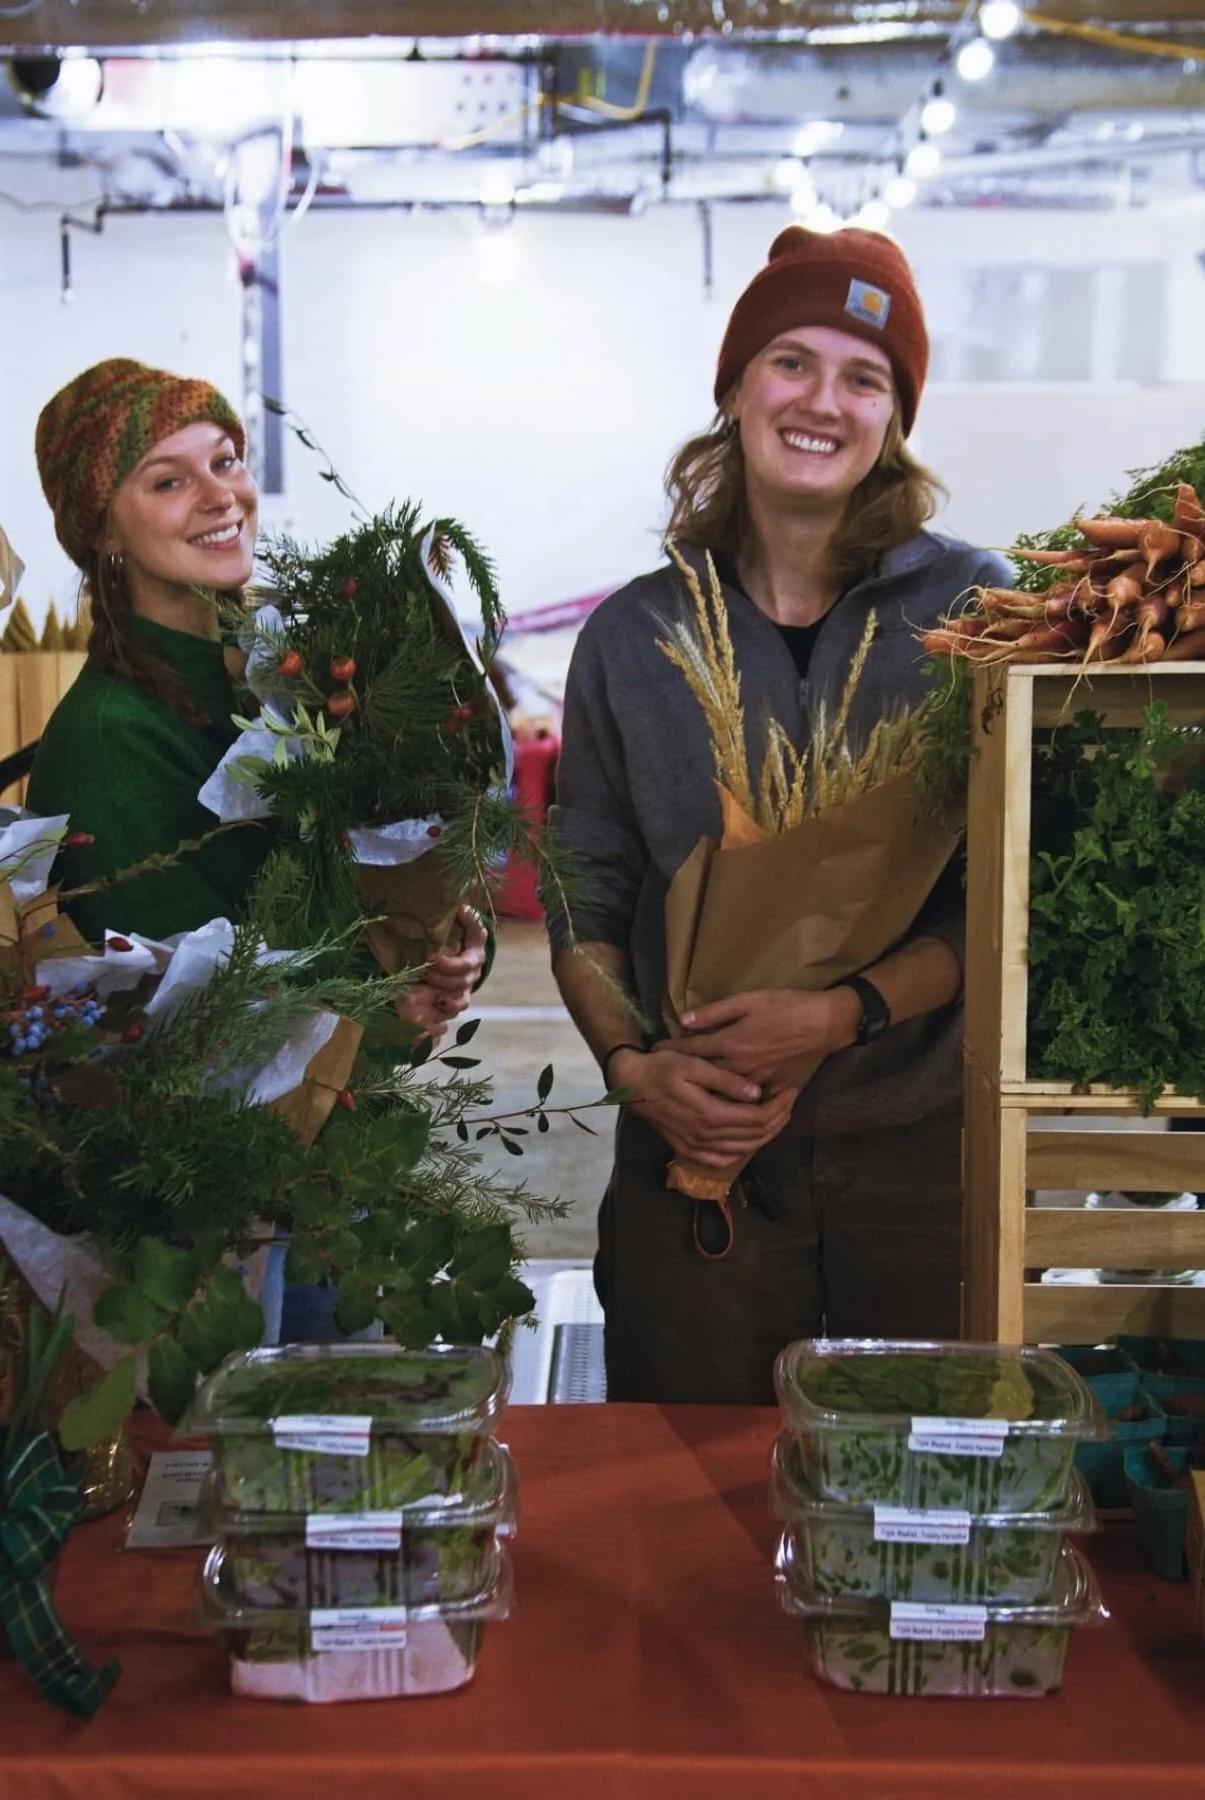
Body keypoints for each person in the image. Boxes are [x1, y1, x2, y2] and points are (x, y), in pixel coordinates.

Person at [549, 227, 1013, 1405]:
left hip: (916, 1145)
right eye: (791, 362)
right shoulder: (635, 635)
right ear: (736, 390)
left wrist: (840, 1015)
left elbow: (1004, 890)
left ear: (894, 418)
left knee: (920, 1459)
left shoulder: (978, 613)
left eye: (864, 378)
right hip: (693, 1139)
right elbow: (584, 889)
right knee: (681, 1465)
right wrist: (634, 1069)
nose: (822, 401)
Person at [28, 358, 488, 1336]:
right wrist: (380, 1003)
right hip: (233, 1209)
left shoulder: (278, 676)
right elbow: (190, 1018)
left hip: (335, 1160)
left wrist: (437, 940)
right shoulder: (114, 737)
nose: (218, 495)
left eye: (226, 460)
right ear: (101, 531)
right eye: (168, 479)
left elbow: (347, 874)